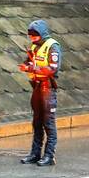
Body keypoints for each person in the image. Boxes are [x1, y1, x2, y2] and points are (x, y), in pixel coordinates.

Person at [18, 19, 61, 167]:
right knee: (36, 122)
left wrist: (31, 69)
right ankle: (35, 154)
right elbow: (30, 62)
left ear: (41, 33)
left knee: (48, 123)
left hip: (48, 89)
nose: (32, 37)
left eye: (34, 34)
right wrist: (26, 65)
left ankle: (49, 156)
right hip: (37, 88)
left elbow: (52, 68)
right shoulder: (35, 47)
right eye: (30, 35)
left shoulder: (53, 46)